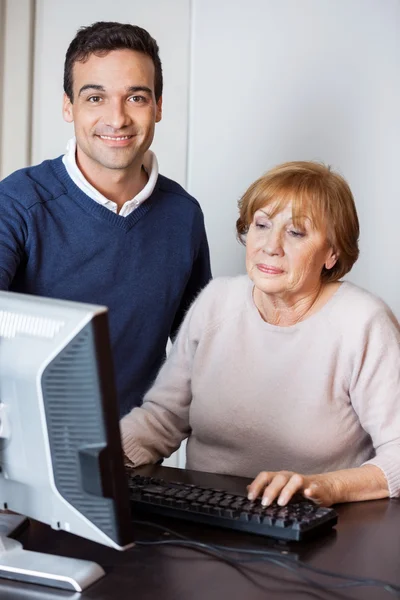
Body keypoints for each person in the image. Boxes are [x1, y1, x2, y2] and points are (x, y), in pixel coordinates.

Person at [120, 161, 400, 507]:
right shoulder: (216, 301)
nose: (271, 246)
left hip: (321, 529)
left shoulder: (364, 323)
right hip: (208, 517)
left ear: (332, 253)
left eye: (296, 232)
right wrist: (94, 458)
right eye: (262, 225)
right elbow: (162, 418)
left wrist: (323, 487)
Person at [0, 22, 211, 416]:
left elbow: (197, 360)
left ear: (158, 107)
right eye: (95, 97)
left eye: (136, 98)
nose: (117, 119)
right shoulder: (17, 202)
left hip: (131, 458)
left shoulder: (183, 217)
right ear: (69, 106)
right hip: (20, 455)